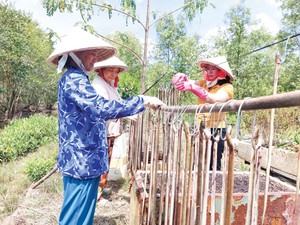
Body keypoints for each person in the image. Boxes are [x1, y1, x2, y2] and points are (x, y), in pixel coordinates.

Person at [46, 27, 164, 225]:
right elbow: (100, 107)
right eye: (91, 53)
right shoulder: (74, 79)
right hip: (81, 162)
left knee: (82, 215)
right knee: (75, 218)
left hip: (85, 160)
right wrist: (141, 101)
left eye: (96, 53)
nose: (95, 57)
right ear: (75, 54)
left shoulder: (78, 79)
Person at [172, 56, 234, 170]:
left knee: (212, 163)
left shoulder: (227, 87)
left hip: (216, 130)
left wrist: (194, 88)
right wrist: (182, 78)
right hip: (201, 128)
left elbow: (214, 99)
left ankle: (211, 187)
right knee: (198, 161)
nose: (209, 72)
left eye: (213, 69)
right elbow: (188, 82)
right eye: (206, 69)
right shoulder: (204, 83)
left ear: (221, 71)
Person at [91, 56, 133, 200]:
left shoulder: (109, 85)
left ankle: (100, 191)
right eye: (111, 71)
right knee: (100, 163)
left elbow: (119, 103)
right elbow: (105, 109)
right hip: (102, 131)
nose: (114, 74)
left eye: (116, 71)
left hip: (110, 131)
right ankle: (96, 194)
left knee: (106, 162)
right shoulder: (98, 86)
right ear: (101, 70)